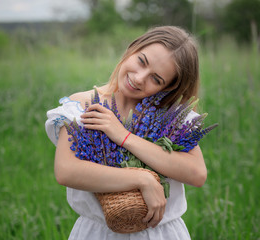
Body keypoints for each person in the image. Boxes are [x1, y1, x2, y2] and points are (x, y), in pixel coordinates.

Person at [45, 26, 207, 239]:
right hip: (98, 233)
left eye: (156, 79)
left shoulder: (171, 117)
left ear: (168, 88)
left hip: (160, 233)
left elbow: (196, 174)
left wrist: (124, 136)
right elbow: (67, 171)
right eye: (141, 61)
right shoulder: (84, 105)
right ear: (132, 49)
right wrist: (142, 179)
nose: (139, 78)